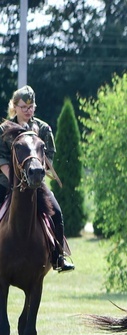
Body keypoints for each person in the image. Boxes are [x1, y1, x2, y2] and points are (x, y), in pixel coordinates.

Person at [0, 85, 74, 272]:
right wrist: (14, 182)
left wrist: (36, 172)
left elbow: (49, 154)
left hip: (36, 184)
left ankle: (58, 256)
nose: (28, 110)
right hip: (7, 183)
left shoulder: (42, 129)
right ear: (14, 107)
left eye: (31, 106)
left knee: (56, 213)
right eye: (24, 107)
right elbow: (1, 158)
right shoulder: (4, 130)